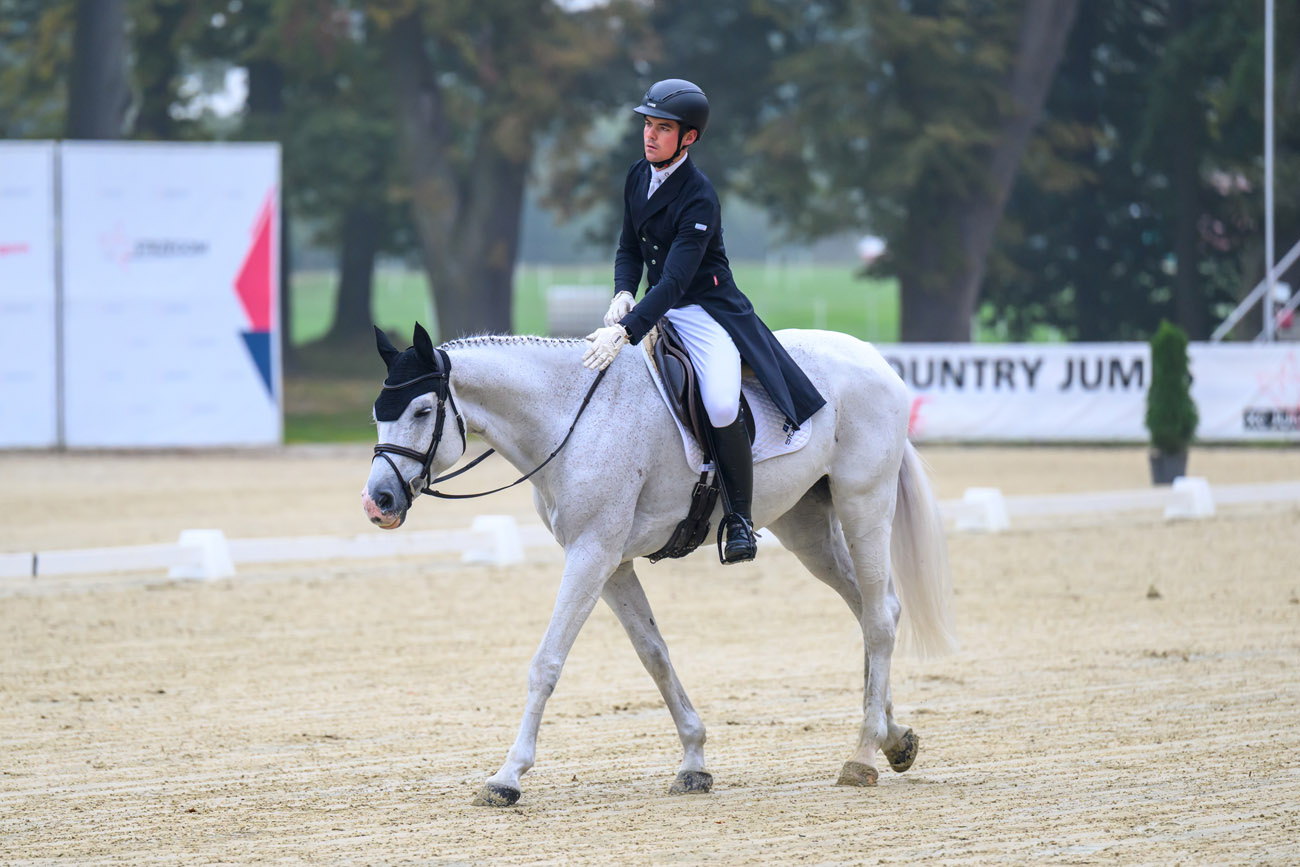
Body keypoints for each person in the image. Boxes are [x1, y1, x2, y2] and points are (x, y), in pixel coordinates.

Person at [581, 78, 826, 564]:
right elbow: (629, 248)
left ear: (688, 137)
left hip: (704, 310)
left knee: (717, 404)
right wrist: (623, 292)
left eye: (662, 128)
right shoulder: (637, 175)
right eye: (647, 125)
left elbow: (674, 283)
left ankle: (739, 518)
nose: (649, 135)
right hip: (657, 305)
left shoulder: (699, 197)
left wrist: (626, 332)